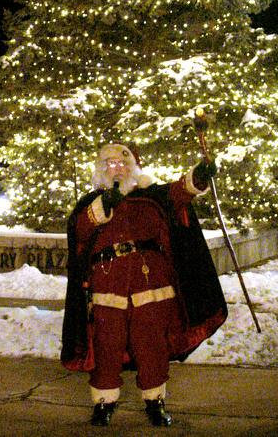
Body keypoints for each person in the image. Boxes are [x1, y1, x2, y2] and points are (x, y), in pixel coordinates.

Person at [61, 143, 227, 427]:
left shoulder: (153, 197)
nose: (117, 168)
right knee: (105, 345)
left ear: (133, 167)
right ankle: (104, 402)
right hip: (107, 286)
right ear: (103, 169)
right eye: (110, 164)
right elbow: (80, 229)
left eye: (122, 164)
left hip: (151, 285)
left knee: (151, 345)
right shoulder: (91, 204)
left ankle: (154, 401)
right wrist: (103, 206)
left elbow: (181, 191)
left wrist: (200, 175)